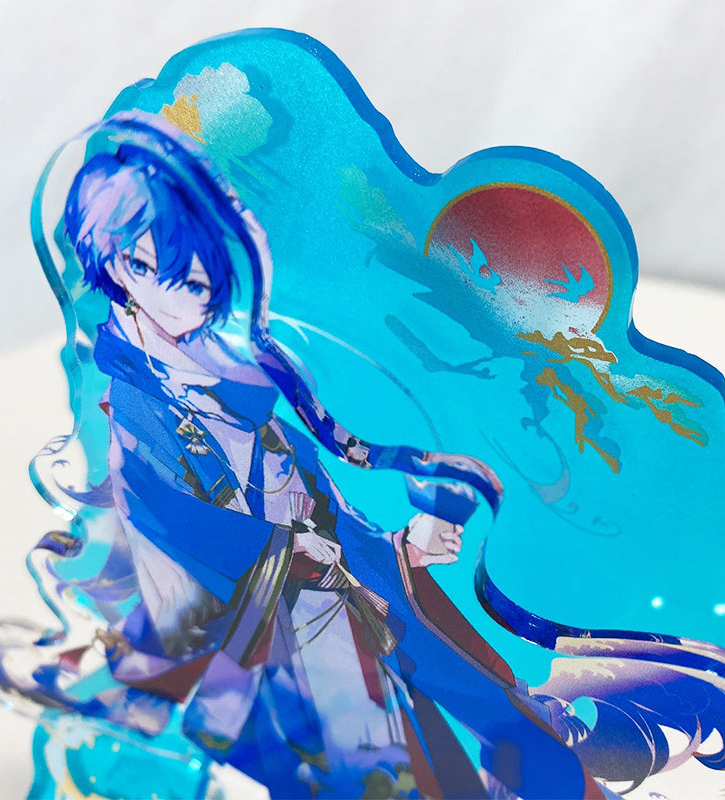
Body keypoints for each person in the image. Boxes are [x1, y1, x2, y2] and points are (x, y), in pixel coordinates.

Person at [45, 112, 602, 799]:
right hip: (280, 647)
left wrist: (404, 542)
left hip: (348, 600)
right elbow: (175, 533)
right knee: (385, 775)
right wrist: (286, 552)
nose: (200, 282)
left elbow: (322, 496)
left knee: (501, 720)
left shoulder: (237, 365)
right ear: (122, 265)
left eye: (204, 263)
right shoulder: (137, 408)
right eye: (172, 267)